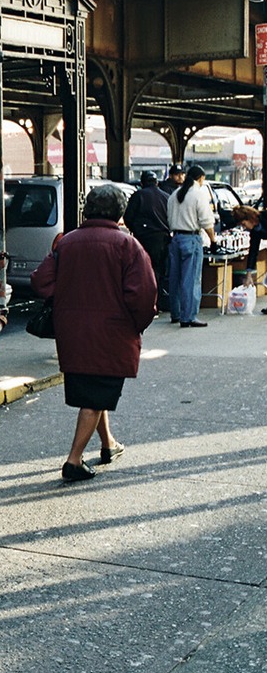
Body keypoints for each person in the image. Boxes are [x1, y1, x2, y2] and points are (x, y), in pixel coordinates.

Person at [30, 185, 157, 482]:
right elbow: (144, 294)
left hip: (73, 332)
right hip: (112, 333)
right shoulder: (128, 245)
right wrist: (137, 323)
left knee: (95, 391)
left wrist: (64, 300)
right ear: (119, 212)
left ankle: (108, 444)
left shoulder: (67, 242)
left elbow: (40, 282)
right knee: (97, 392)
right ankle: (73, 460)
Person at [165, 165, 216, 328]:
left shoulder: (174, 195)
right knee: (191, 279)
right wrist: (213, 240)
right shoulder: (198, 195)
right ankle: (189, 316)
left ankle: (176, 313)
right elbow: (206, 221)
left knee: (175, 278)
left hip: (175, 239)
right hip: (191, 239)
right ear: (200, 178)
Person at [123, 170, 171, 311]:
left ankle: (148, 302)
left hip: (143, 238)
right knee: (159, 270)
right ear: (156, 182)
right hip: (162, 238)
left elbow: (128, 217)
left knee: (143, 270)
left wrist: (136, 229)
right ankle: (159, 302)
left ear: (142, 183)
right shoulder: (166, 197)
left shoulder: (138, 196)